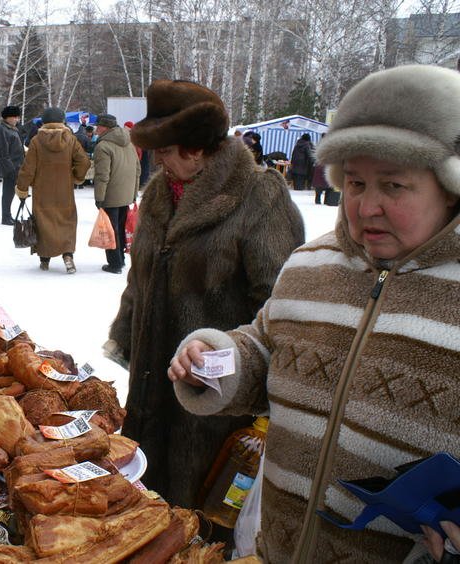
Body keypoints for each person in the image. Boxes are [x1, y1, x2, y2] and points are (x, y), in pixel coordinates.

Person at [168, 64, 460, 563]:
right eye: (355, 183)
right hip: (278, 546)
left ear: (450, 187)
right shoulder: (311, 264)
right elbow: (263, 350)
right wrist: (215, 359)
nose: (367, 207)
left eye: (393, 186)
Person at [103, 79, 304, 509]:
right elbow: (141, 276)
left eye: (166, 150)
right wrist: (124, 334)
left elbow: (280, 303)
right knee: (145, 498)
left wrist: (225, 367)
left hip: (215, 397)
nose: (157, 160)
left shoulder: (259, 196)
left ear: (196, 149)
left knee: (201, 509)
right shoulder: (160, 191)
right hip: (151, 380)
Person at [15, 106, 90, 273]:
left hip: (42, 191)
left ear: (44, 121)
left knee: (44, 222)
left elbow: (28, 169)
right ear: (62, 121)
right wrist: (76, 177)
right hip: (65, 190)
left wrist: (22, 188)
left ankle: (45, 259)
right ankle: (68, 256)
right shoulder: (70, 139)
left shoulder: (36, 141)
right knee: (66, 221)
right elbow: (84, 162)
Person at [93, 113, 140, 274]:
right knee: (119, 227)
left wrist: (99, 198)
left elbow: (102, 176)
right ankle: (120, 259)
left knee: (110, 230)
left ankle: (115, 264)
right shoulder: (129, 142)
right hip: (126, 194)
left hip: (110, 195)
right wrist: (133, 193)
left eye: (98, 125)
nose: (96, 128)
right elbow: (137, 170)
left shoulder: (103, 146)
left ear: (105, 127)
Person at [0, 105, 25, 225]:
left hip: (17, 165)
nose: (17, 119)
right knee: (8, 192)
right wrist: (10, 168)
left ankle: (8, 215)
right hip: (10, 167)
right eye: (15, 117)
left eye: (18, 117)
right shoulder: (2, 130)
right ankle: (6, 216)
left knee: (11, 192)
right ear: (7, 118)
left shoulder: (12, 129)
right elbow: (3, 152)